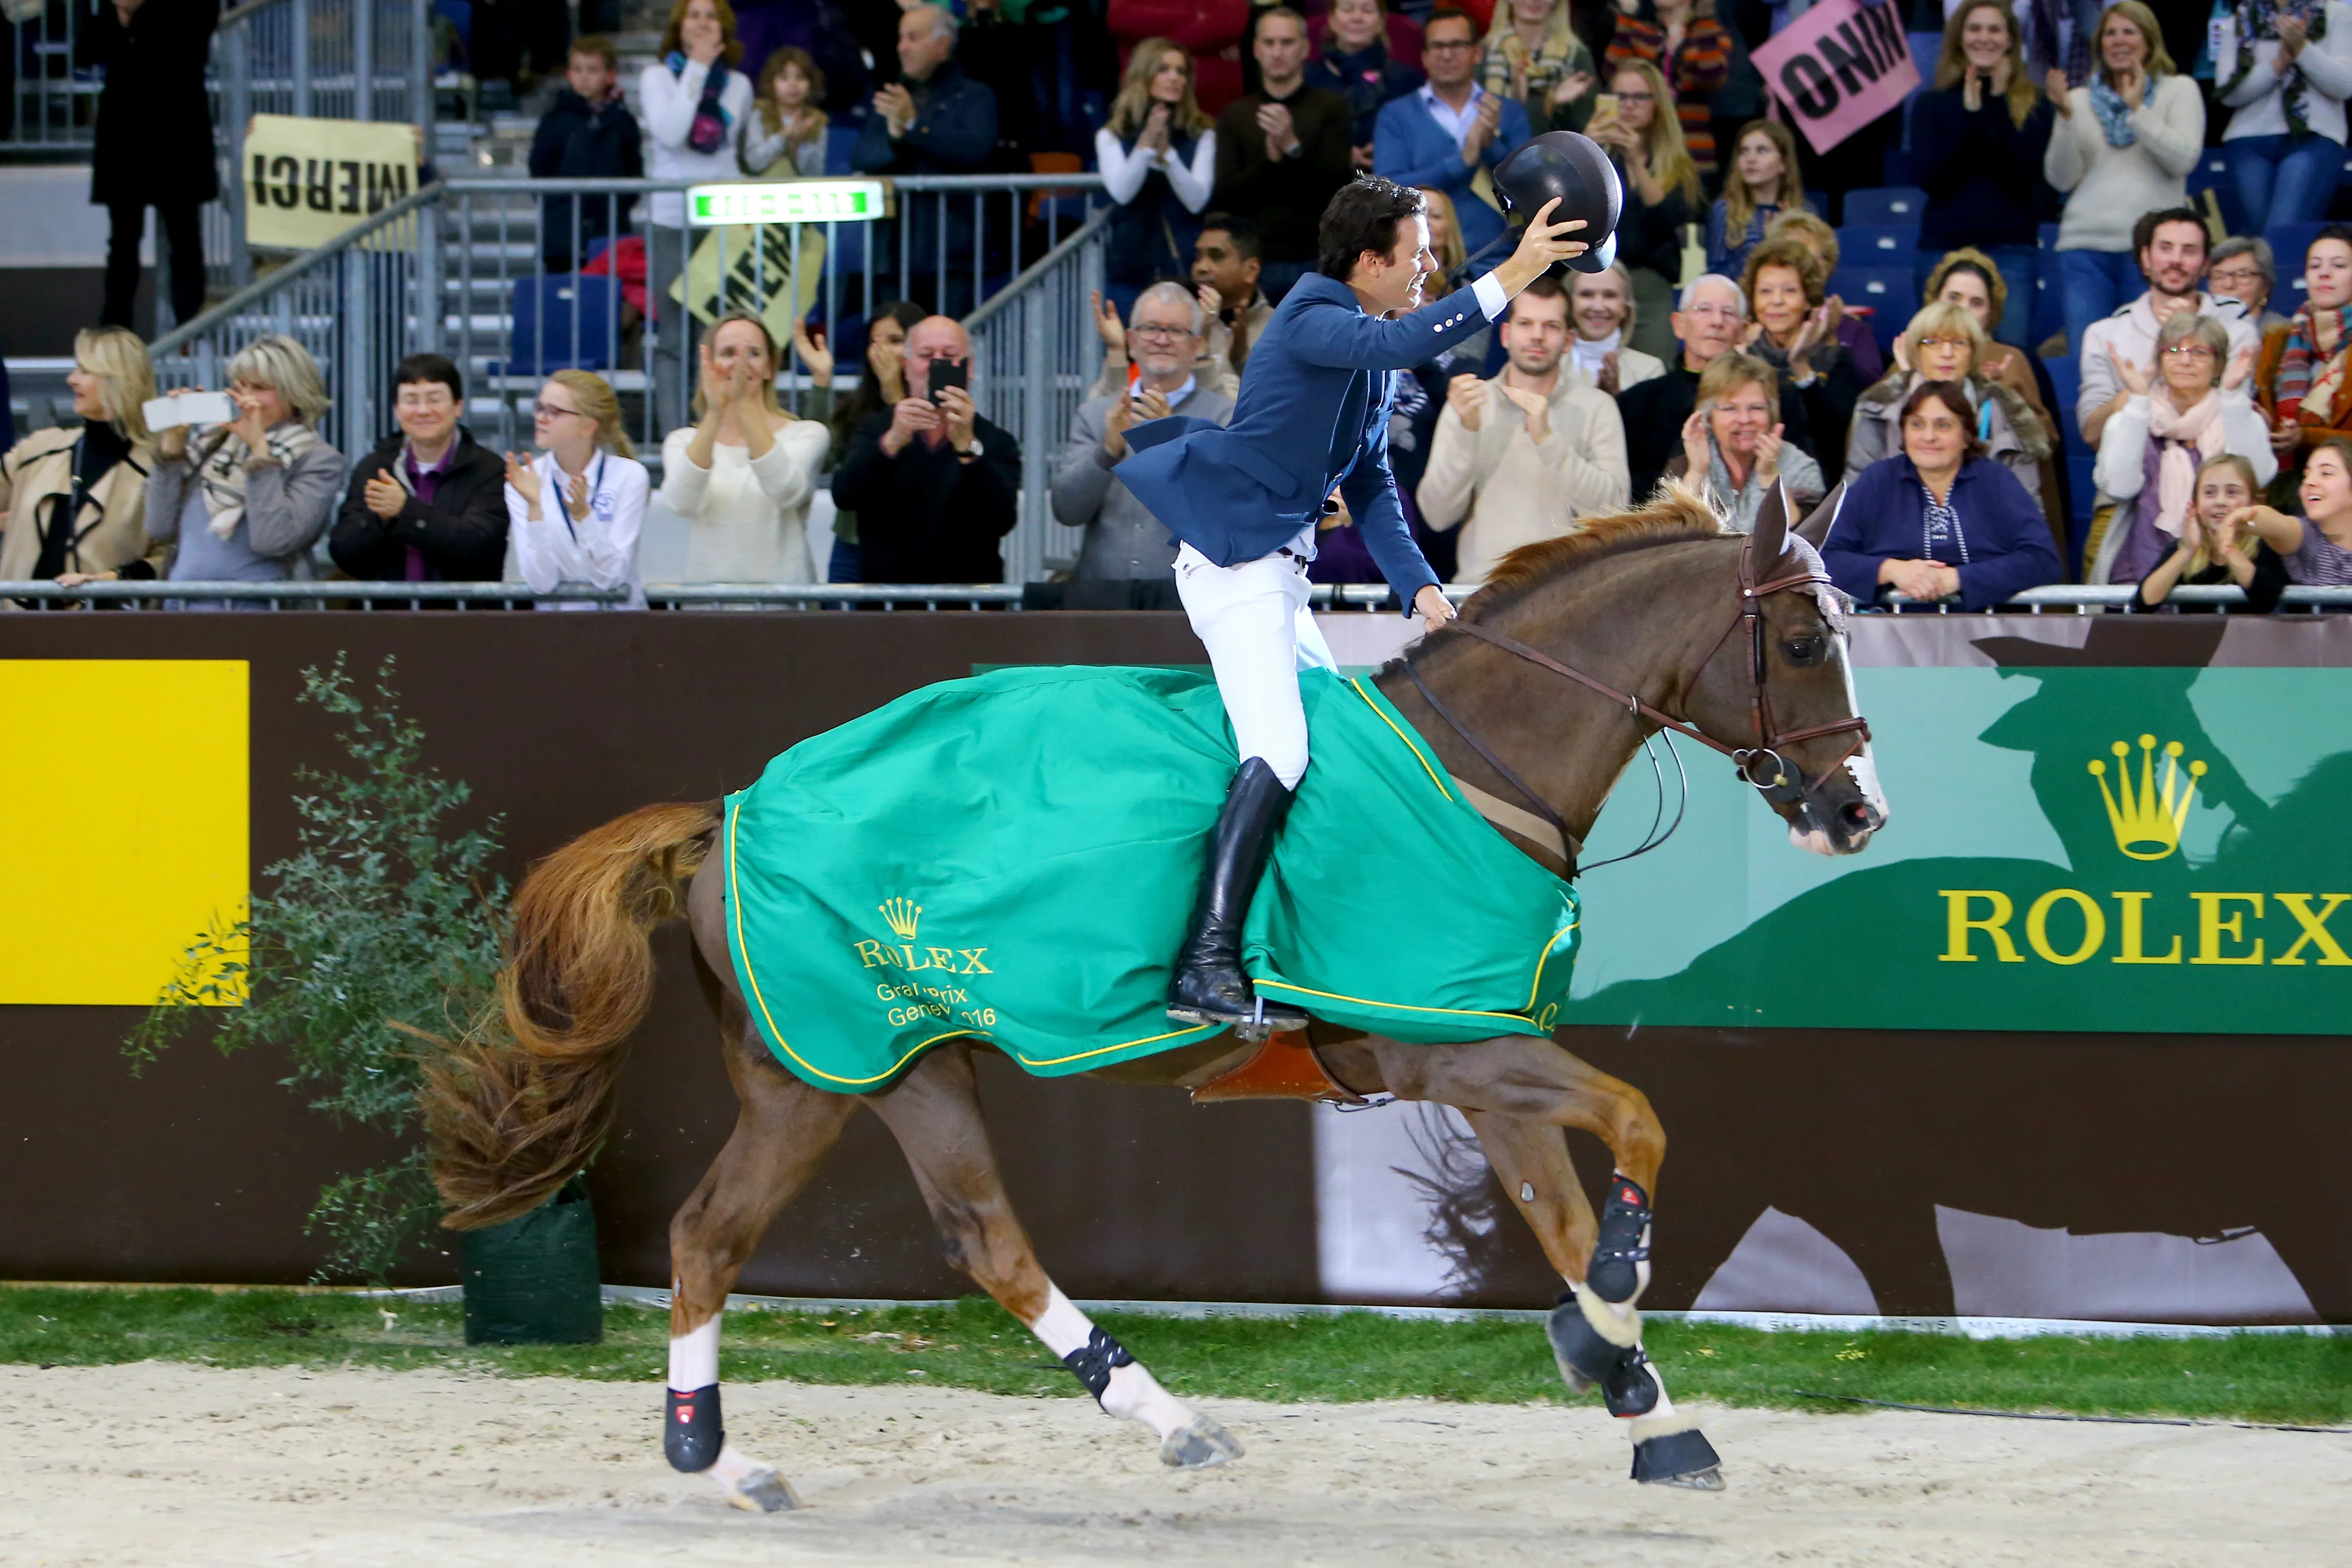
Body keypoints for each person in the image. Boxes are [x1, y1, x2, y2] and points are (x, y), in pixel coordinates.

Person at [1113, 175, 1590, 1030]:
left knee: (1324, 752)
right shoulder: (1311, 315)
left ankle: (1285, 955)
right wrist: (1514, 270)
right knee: (1283, 749)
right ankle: (1203, 963)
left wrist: (1425, 595)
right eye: (1417, 254)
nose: (1429, 265)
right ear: (1369, 260)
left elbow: (1371, 487)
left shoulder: (1362, 346)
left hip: (1277, 572)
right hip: (1235, 564)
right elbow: (1416, 335)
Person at [1418, 274, 1631, 580]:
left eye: (1552, 326)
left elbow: (1615, 512)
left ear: (1569, 341)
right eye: (1526, 324)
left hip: (1569, 592)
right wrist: (1467, 432)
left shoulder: (1598, 407)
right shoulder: (1469, 404)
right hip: (1483, 592)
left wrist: (1548, 441)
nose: (1538, 337)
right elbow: (1436, 516)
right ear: (1505, 335)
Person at [2043, 2, 2203, 362]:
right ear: (2099, 44)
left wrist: (2138, 112)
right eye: (2110, 33)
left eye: (2129, 32)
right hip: (2084, 249)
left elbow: (2184, 159)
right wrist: (2066, 119)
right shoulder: (2079, 100)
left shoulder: (2179, 90)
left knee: (2151, 363)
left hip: (2152, 252)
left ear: (2148, 42)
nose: (2119, 41)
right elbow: (2060, 177)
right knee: (2091, 365)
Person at [1821, 378, 2063, 609]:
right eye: (1917, 424)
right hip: (1892, 636)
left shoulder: (1996, 480)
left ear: (1967, 436)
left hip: (1986, 633)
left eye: (1943, 425)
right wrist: (1890, 570)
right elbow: (1827, 558)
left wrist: (1957, 579)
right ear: (1903, 432)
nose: (1929, 437)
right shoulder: (1878, 480)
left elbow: (2042, 560)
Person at [1053, 283, 1238, 584]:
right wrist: (1107, 452)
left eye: (1176, 331)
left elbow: (1226, 512)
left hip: (1190, 599)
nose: (1162, 340)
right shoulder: (1098, 414)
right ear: (1131, 340)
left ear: (1197, 345)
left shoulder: (1225, 416)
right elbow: (1066, 511)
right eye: (1151, 328)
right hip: (1103, 598)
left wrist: (1172, 449)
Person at [146, 335, 346, 596]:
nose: (247, 398)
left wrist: (260, 455)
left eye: (260, 388)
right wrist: (172, 446)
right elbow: (159, 526)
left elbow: (273, 540)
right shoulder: (211, 443)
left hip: (263, 612)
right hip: (184, 605)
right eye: (241, 387)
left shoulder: (318, 459)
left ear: (295, 392)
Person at [831, 314, 1023, 582]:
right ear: (907, 368)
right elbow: (845, 495)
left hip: (969, 611)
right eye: (926, 355)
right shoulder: (877, 428)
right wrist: (892, 442)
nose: (937, 364)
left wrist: (968, 449)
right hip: (888, 608)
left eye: (949, 355)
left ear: (969, 369)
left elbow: (1002, 520)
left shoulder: (996, 440)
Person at [1912, 1, 2056, 353]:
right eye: (1974, 29)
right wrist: (1971, 115)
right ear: (1959, 38)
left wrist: (1995, 103)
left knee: (2006, 358)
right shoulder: (1931, 103)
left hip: (2010, 248)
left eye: (1994, 30)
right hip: (1943, 247)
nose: (1984, 38)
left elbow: (2023, 174)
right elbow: (1933, 178)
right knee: (1939, 355)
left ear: (2010, 40)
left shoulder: (2033, 103)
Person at [2090, 311, 2275, 584]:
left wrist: (2234, 398)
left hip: (2222, 570)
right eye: (2174, 350)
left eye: (2199, 352)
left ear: (2219, 364)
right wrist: (2140, 403)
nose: (2185, 360)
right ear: (2160, 360)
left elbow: (2256, 477)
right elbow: (2119, 486)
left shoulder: (2239, 416)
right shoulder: (2131, 419)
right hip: (2139, 566)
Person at [641, 0, 755, 429]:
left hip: (723, 220)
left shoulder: (739, 85)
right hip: (670, 218)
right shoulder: (657, 77)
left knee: (722, 335)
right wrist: (697, 68)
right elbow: (670, 131)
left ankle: (721, 428)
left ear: (725, 26)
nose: (703, 23)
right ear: (679, 26)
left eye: (711, 16)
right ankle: (675, 434)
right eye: (694, 15)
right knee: (674, 338)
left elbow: (732, 155)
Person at [662, 313, 833, 583]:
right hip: (707, 606)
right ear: (709, 365)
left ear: (769, 368)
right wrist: (715, 415)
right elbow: (682, 503)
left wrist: (743, 404)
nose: (741, 364)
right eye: (728, 353)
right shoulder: (683, 441)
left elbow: (785, 491)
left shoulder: (807, 434)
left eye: (753, 354)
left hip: (786, 607)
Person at [79, 0, 217, 329]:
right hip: (125, 134)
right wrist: (123, 17)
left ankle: (191, 328)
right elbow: (87, 50)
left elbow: (190, 47)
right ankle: (115, 330)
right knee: (123, 241)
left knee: (185, 237)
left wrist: (137, 15)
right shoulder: (107, 8)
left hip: (178, 131)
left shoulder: (191, 9)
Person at [853, 6, 999, 316]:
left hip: (954, 255)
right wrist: (895, 137)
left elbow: (972, 151)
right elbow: (863, 155)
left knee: (947, 354)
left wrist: (914, 127)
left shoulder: (975, 96)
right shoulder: (894, 97)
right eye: (901, 38)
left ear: (943, 45)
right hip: (895, 254)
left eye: (913, 37)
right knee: (896, 352)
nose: (902, 47)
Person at [1618, 272, 1816, 500]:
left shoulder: (1778, 396)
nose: (1717, 322)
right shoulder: (1638, 402)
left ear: (1743, 331)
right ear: (1678, 324)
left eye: (1728, 313)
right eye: (1704, 310)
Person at [1848, 301, 2052, 516]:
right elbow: (1856, 502)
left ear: (1973, 353)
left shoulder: (2006, 412)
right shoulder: (1879, 408)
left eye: (1959, 343)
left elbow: (2027, 514)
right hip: (1893, 539)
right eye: (1933, 342)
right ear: (1916, 351)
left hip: (1984, 542)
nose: (1947, 353)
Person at [2076, 207, 2258, 447]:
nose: (2176, 260)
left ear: (2205, 265)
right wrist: (2147, 376)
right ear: (2146, 258)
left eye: (2189, 251)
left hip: (2213, 472)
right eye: (2165, 248)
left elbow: (2234, 422)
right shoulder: (2104, 334)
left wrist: (2191, 334)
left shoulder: (2238, 332)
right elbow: (2092, 432)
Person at [0, 326, 158, 590]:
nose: (71, 380)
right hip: (17, 623)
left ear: (117, 380)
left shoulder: (155, 468)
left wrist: (108, 580)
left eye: (84, 372)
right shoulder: (39, 450)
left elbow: (166, 557)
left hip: (102, 625)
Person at [1374, 7, 1534, 269]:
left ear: (1477, 52)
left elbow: (1529, 190)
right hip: (1418, 265)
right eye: (1437, 46)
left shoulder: (1509, 112)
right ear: (1424, 57)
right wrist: (1462, 161)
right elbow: (1388, 193)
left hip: (1496, 261)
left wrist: (1491, 145)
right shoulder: (1396, 115)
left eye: (1457, 45)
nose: (1447, 55)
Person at [1213, 7, 1355, 300]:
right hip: (1252, 261)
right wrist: (1269, 161)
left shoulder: (1331, 108)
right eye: (1269, 43)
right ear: (1256, 50)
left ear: (1305, 48)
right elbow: (1226, 194)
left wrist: (1292, 147)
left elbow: (1338, 189)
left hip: (1315, 258)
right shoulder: (1235, 114)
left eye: (1287, 43)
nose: (1278, 52)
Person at [329, 354, 511, 582]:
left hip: (462, 616)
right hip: (388, 615)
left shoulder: (489, 470)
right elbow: (343, 553)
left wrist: (406, 511)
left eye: (434, 399)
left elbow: (482, 548)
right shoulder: (375, 467)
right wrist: (381, 521)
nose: (423, 411)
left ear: (458, 406)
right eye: (411, 400)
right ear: (397, 410)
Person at [1583, 59, 1700, 362]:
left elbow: (1670, 220)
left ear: (1657, 105)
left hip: (1648, 281)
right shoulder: (1591, 150)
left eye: (1639, 97)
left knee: (1654, 364)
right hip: (1594, 275)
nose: (1629, 106)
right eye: (1620, 97)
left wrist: (1636, 160)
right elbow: (1567, 209)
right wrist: (1585, 147)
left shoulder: (1675, 162)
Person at [504, 371, 651, 609]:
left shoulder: (629, 476)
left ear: (587, 426)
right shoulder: (523, 482)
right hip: (557, 632)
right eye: (539, 408)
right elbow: (541, 583)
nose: (540, 418)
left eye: (554, 412)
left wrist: (584, 517)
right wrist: (535, 510)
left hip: (622, 631)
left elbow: (611, 577)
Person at [2213, 0, 2352, 233]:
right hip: (2248, 142)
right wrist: (2277, 65)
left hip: (2312, 138)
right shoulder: (2242, 18)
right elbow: (2228, 94)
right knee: (2259, 242)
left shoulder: (2336, 12)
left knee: (2280, 234)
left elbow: (2345, 85)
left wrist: (2301, 49)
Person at [1738, 236, 1863, 481]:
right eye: (1765, 291)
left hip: (1818, 483)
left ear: (1809, 300)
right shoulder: (1741, 360)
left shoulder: (1836, 358)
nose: (1776, 301)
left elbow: (1839, 434)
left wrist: (1802, 368)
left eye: (1790, 291)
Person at [1099, 39, 1220, 294]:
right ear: (1143, 76)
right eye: (1163, 70)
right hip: (1129, 267)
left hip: (1184, 262)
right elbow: (1122, 192)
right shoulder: (1112, 136)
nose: (1174, 78)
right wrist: (1145, 147)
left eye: (1181, 71)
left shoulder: (1202, 134)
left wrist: (1169, 157)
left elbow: (1196, 200)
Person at [822, 300, 929, 584]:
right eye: (874, 342)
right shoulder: (854, 409)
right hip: (852, 546)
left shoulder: (937, 408)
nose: (882, 351)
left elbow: (919, 466)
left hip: (911, 549)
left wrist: (895, 393)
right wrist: (821, 383)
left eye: (895, 340)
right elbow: (829, 462)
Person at [1664, 350, 1825, 532]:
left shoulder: (1801, 468)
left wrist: (1769, 476)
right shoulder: (1685, 465)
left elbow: (1803, 540)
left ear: (1771, 414)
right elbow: (1671, 536)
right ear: (1708, 417)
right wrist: (1697, 472)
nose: (1745, 419)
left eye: (1756, 408)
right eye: (1730, 409)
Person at [532, 35, 644, 273]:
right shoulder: (554, 120)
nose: (584, 77)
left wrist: (617, 207)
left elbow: (633, 170)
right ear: (569, 74)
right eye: (578, 70)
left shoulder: (622, 121)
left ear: (610, 76)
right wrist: (556, 207)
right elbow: (539, 167)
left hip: (610, 230)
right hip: (562, 234)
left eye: (593, 70)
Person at [2124, 453, 2286, 610]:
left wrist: (2229, 548)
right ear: (2196, 505)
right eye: (2210, 493)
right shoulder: (2186, 547)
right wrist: (2186, 552)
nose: (2220, 501)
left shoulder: (2266, 545)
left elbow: (2266, 600)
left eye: (2232, 492)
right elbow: (2145, 602)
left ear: (2252, 503)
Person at [2256, 224, 2352, 480]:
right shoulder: (2278, 339)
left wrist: (2306, 437)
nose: (2324, 274)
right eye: (2315, 265)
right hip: (2281, 484)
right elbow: (2272, 424)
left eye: (2339, 266)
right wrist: (2261, 421)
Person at [1604, 0, 1733, 182]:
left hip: (1693, 149)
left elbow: (1710, 74)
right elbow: (1613, 72)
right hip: (1643, 150)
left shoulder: (1710, 32)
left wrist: (1705, 17)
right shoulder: (1642, 32)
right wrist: (1627, 16)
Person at [1764, 210, 1885, 384]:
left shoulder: (1853, 330)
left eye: (1809, 259)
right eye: (1790, 259)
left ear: (1827, 267)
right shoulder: (1758, 327)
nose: (1802, 268)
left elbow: (1869, 394)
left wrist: (1831, 341)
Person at [1308, 0, 1423, 168]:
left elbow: (1419, 138)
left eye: (1367, 11)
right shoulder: (1309, 77)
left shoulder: (1406, 79)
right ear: (1332, 20)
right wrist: (1339, 154)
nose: (1357, 18)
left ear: (1382, 21)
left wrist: (1389, 150)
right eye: (1347, 9)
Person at [2226, 433, 2352, 583]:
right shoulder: (2308, 535)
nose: (2309, 482)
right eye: (2306, 475)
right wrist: (2249, 519)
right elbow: (2277, 525)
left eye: (2326, 473)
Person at [1108, 0, 1252, 117]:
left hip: (1215, 108)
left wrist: (1153, 49)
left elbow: (1230, 22)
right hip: (1144, 107)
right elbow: (1120, 18)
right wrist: (1197, 18)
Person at [1704, 118, 1807, 279]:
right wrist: (1764, 245)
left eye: (1762, 151)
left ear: (1783, 164)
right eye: (1745, 151)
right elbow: (1716, 277)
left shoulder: (1804, 212)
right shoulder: (1725, 210)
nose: (1750, 159)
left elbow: (1813, 272)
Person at [1479, 0, 1598, 135]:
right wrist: (1548, 100)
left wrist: (1550, 104)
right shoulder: (1483, 53)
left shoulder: (1577, 56)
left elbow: (1584, 130)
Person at [1192, 214, 1275, 383]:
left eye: (1216, 257)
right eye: (1198, 257)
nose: (1201, 267)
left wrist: (1241, 359)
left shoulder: (1279, 328)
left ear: (1251, 270)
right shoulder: (1180, 323)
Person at [1565, 262, 1667, 393]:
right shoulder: (1547, 362)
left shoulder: (1650, 371)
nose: (1598, 307)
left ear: (1626, 307)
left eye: (1610, 296)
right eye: (1587, 295)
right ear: (1569, 304)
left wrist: (1617, 397)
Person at [739, 47, 828, 177]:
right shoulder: (759, 115)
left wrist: (799, 145)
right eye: (784, 78)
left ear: (810, 84)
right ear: (771, 83)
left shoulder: (816, 122)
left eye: (800, 78)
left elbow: (815, 174)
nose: (793, 85)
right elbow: (754, 163)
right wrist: (783, 136)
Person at [2207, 235, 2289, 336]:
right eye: (2218, 276)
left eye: (2242, 275)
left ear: (2265, 286)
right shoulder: (2195, 330)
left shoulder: (2283, 332)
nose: (2228, 285)